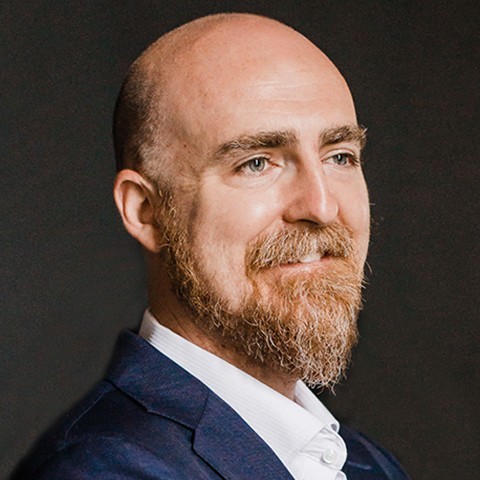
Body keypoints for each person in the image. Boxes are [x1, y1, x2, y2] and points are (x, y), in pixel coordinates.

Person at [12, 13, 410, 480]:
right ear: (146, 210)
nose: (321, 206)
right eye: (257, 163)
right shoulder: (103, 470)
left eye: (339, 156)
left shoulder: (367, 464)